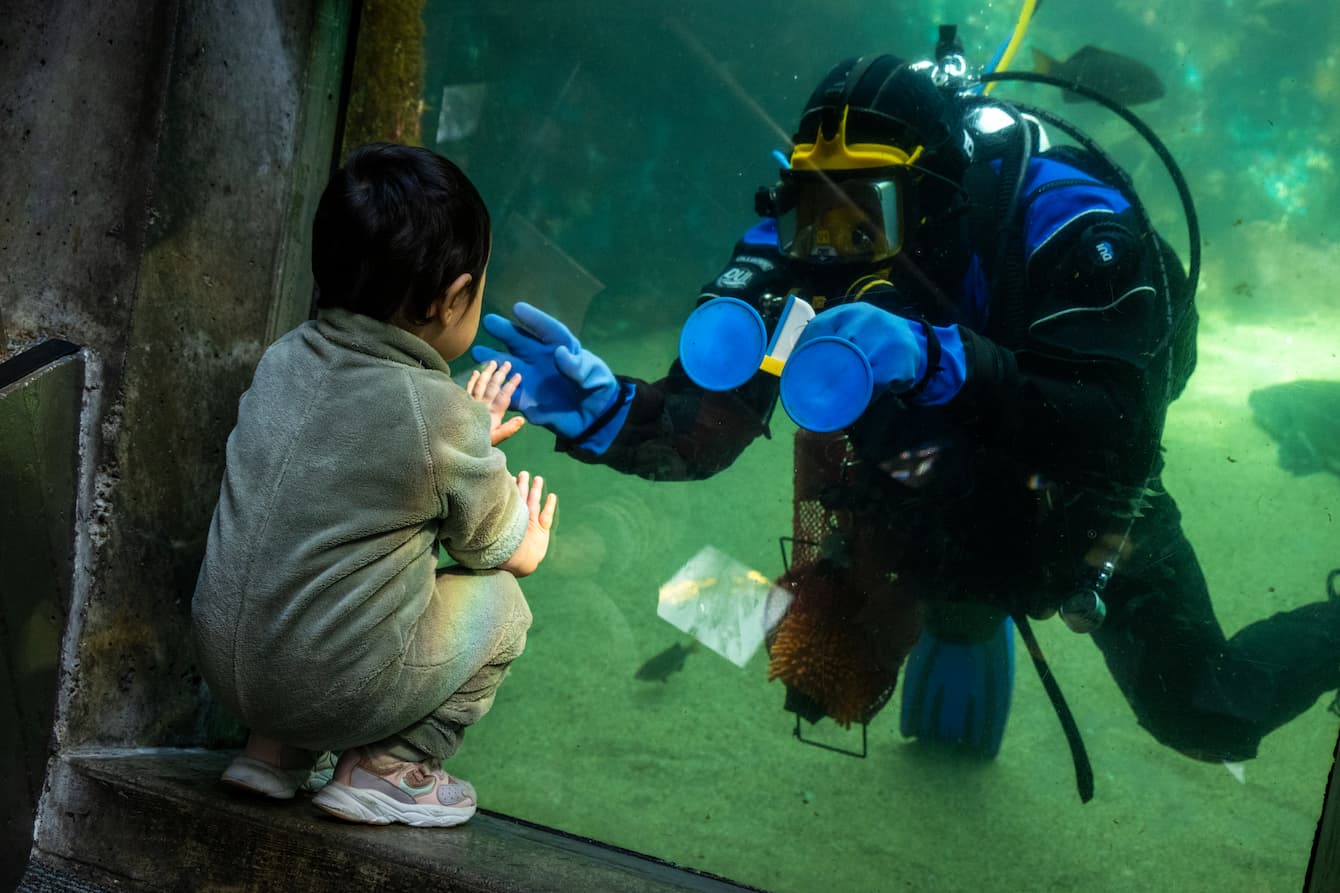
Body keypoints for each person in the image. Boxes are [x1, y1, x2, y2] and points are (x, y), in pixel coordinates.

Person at [471, 51, 1340, 787]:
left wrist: (945, 359)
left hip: (1065, 492)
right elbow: (710, 418)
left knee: (1207, 712)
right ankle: (956, 618)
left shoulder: (1068, 229)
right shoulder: (796, 236)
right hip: (915, 476)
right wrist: (611, 415)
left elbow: (1118, 435)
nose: (834, 249)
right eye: (817, 210)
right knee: (824, 671)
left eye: (865, 216)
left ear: (931, 204)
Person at [192, 142, 557, 828]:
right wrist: (525, 531)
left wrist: (460, 431)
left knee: (316, 565)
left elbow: (361, 454)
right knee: (504, 606)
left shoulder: (283, 359)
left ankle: (272, 754)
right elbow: (497, 547)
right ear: (452, 299)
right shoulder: (437, 411)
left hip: (224, 660)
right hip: (330, 686)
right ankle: (390, 768)